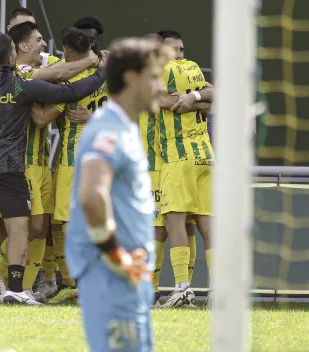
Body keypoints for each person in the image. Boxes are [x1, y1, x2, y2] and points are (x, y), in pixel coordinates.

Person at [0, 33, 106, 304]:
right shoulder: (21, 86)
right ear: (12, 58)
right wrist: (102, 73)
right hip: (8, 168)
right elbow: (73, 92)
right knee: (18, 229)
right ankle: (15, 287)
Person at [0, 21, 100, 304]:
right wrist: (92, 61)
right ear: (22, 46)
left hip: (42, 161)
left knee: (40, 229)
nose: (43, 45)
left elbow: (64, 68)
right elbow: (51, 92)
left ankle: (21, 288)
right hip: (22, 162)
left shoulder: (45, 69)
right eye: (38, 40)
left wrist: (91, 60)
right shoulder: (20, 71)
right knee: (31, 228)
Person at [66, 37, 169, 352]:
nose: (160, 86)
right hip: (111, 273)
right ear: (130, 78)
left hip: (127, 276)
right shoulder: (109, 129)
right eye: (153, 76)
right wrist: (114, 253)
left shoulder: (124, 127)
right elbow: (91, 194)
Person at [30, 27, 109, 303]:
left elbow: (42, 119)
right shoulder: (108, 75)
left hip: (74, 162)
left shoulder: (72, 79)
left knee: (64, 224)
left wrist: (24, 97)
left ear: (65, 52)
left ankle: (77, 282)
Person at [155, 29, 215, 308]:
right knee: (207, 225)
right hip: (206, 158)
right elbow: (215, 96)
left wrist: (189, 99)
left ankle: (181, 288)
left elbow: (162, 101)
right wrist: (199, 99)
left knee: (175, 222)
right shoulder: (193, 70)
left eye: (181, 49)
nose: (180, 54)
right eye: (175, 49)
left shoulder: (160, 71)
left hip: (178, 160)